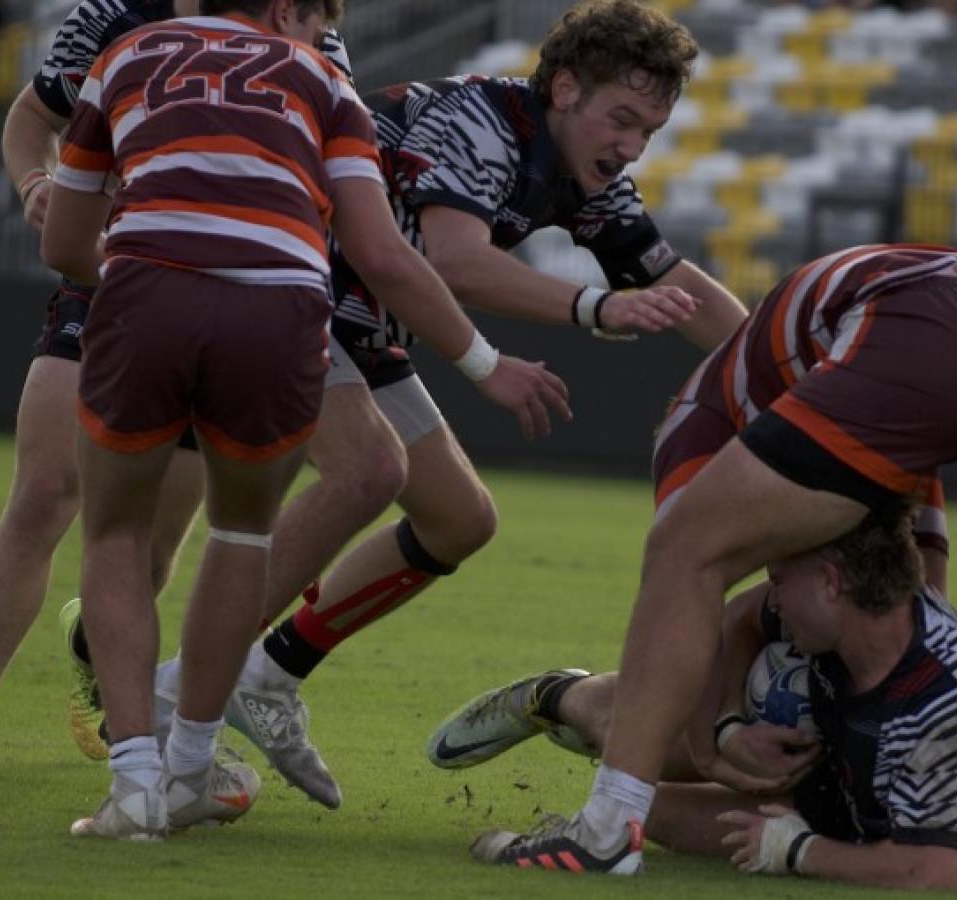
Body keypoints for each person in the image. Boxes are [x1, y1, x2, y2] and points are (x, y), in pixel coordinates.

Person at [121, 0, 749, 810]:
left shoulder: (581, 175)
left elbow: (674, 286)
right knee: (366, 472)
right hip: (298, 295)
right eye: (622, 119)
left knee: (459, 518)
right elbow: (458, 262)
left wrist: (775, 366)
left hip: (366, 318)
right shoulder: (479, 122)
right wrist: (593, 308)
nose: (631, 146)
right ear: (564, 89)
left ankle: (266, 674)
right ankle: (181, 700)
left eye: (650, 132)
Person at [0, 0, 561, 779]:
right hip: (163, 280)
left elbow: (338, 204)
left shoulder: (310, 57)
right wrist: (34, 183)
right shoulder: (122, 22)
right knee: (59, 494)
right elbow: (34, 121)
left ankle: (139, 745)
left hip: (203, 289)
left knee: (153, 542)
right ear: (289, 11)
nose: (320, 34)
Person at [467, 244, 957, 886]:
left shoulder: (700, 418)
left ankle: (607, 826)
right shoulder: (840, 392)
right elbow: (917, 573)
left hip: (924, 328)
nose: (773, 574)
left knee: (681, 550)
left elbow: (689, 580)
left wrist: (716, 739)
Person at [433, 507, 957, 889]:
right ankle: (557, 697)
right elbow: (738, 619)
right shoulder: (856, 610)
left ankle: (573, 722)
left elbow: (931, 872)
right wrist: (722, 729)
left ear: (831, 582)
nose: (771, 592)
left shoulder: (933, 702)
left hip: (903, 823)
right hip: (847, 766)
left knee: (654, 811)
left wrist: (799, 850)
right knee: (634, 742)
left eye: (779, 579)